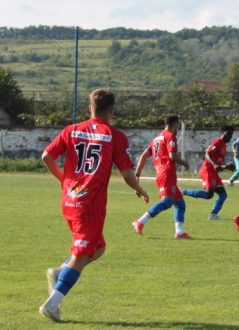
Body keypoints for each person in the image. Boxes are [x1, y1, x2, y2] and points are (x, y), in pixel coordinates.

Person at [39, 88, 150, 322]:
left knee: (98, 248)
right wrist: (139, 189)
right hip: (89, 205)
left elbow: (46, 156)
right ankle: (53, 303)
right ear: (112, 110)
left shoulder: (72, 130)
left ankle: (60, 272)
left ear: (90, 107)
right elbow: (128, 173)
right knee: (82, 255)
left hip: (69, 201)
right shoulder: (116, 136)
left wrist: (63, 179)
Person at [132, 115, 192, 239]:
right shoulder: (170, 136)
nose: (178, 129)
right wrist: (184, 163)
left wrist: (137, 175)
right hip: (167, 173)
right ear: (175, 124)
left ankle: (179, 232)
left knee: (180, 204)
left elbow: (143, 156)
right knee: (167, 202)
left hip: (161, 173)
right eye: (178, 126)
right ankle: (140, 221)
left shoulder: (156, 139)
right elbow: (172, 156)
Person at [182, 125, 234, 220]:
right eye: (228, 134)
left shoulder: (224, 146)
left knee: (223, 194)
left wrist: (226, 167)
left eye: (231, 134)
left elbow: (218, 167)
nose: (230, 136)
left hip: (213, 172)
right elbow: (207, 153)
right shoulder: (218, 142)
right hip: (207, 170)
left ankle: (213, 214)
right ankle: (183, 192)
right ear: (222, 132)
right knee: (209, 194)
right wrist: (214, 164)